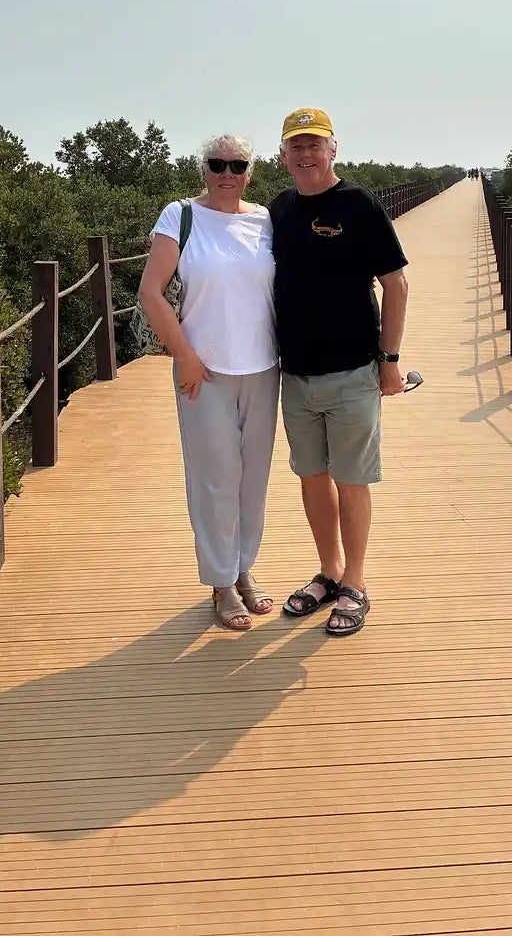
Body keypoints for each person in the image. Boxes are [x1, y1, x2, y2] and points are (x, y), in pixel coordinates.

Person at [269, 107, 409, 636]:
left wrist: (389, 361)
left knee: (352, 480)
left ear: (333, 150)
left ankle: (355, 582)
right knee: (311, 476)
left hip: (352, 370)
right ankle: (328, 573)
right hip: (295, 373)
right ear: (283, 156)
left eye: (315, 144)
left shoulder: (359, 204)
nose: (306, 153)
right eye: (296, 145)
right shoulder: (278, 209)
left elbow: (396, 284)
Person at [138, 135, 279, 632]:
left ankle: (243, 570)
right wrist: (185, 357)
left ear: (250, 172)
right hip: (203, 373)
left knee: (252, 479)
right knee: (214, 478)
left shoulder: (265, 220)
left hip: (263, 367)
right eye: (217, 164)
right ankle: (221, 583)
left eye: (237, 165)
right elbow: (151, 292)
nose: (226, 173)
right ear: (203, 168)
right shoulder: (179, 215)